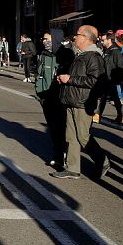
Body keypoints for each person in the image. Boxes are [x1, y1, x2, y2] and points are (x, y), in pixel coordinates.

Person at [51, 25, 110, 180]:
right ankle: (72, 168)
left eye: (77, 34)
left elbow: (95, 81)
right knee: (71, 136)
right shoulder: (82, 55)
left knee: (83, 136)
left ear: (85, 37)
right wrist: (65, 79)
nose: (74, 38)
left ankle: (102, 161)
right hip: (72, 100)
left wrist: (69, 79)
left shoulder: (94, 57)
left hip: (83, 102)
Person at [35, 29, 73, 170]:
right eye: (43, 39)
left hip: (61, 98)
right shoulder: (43, 55)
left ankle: (66, 157)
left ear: (55, 39)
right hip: (46, 97)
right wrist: (39, 93)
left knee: (63, 128)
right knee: (53, 129)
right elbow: (39, 74)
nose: (44, 42)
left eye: (47, 39)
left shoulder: (66, 53)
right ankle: (57, 156)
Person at [94, 31, 123, 125]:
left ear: (109, 40)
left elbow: (121, 66)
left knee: (106, 97)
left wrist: (120, 79)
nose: (102, 42)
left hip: (111, 79)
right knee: (111, 97)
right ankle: (120, 116)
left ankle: (99, 114)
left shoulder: (115, 51)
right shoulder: (106, 51)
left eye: (103, 40)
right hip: (105, 78)